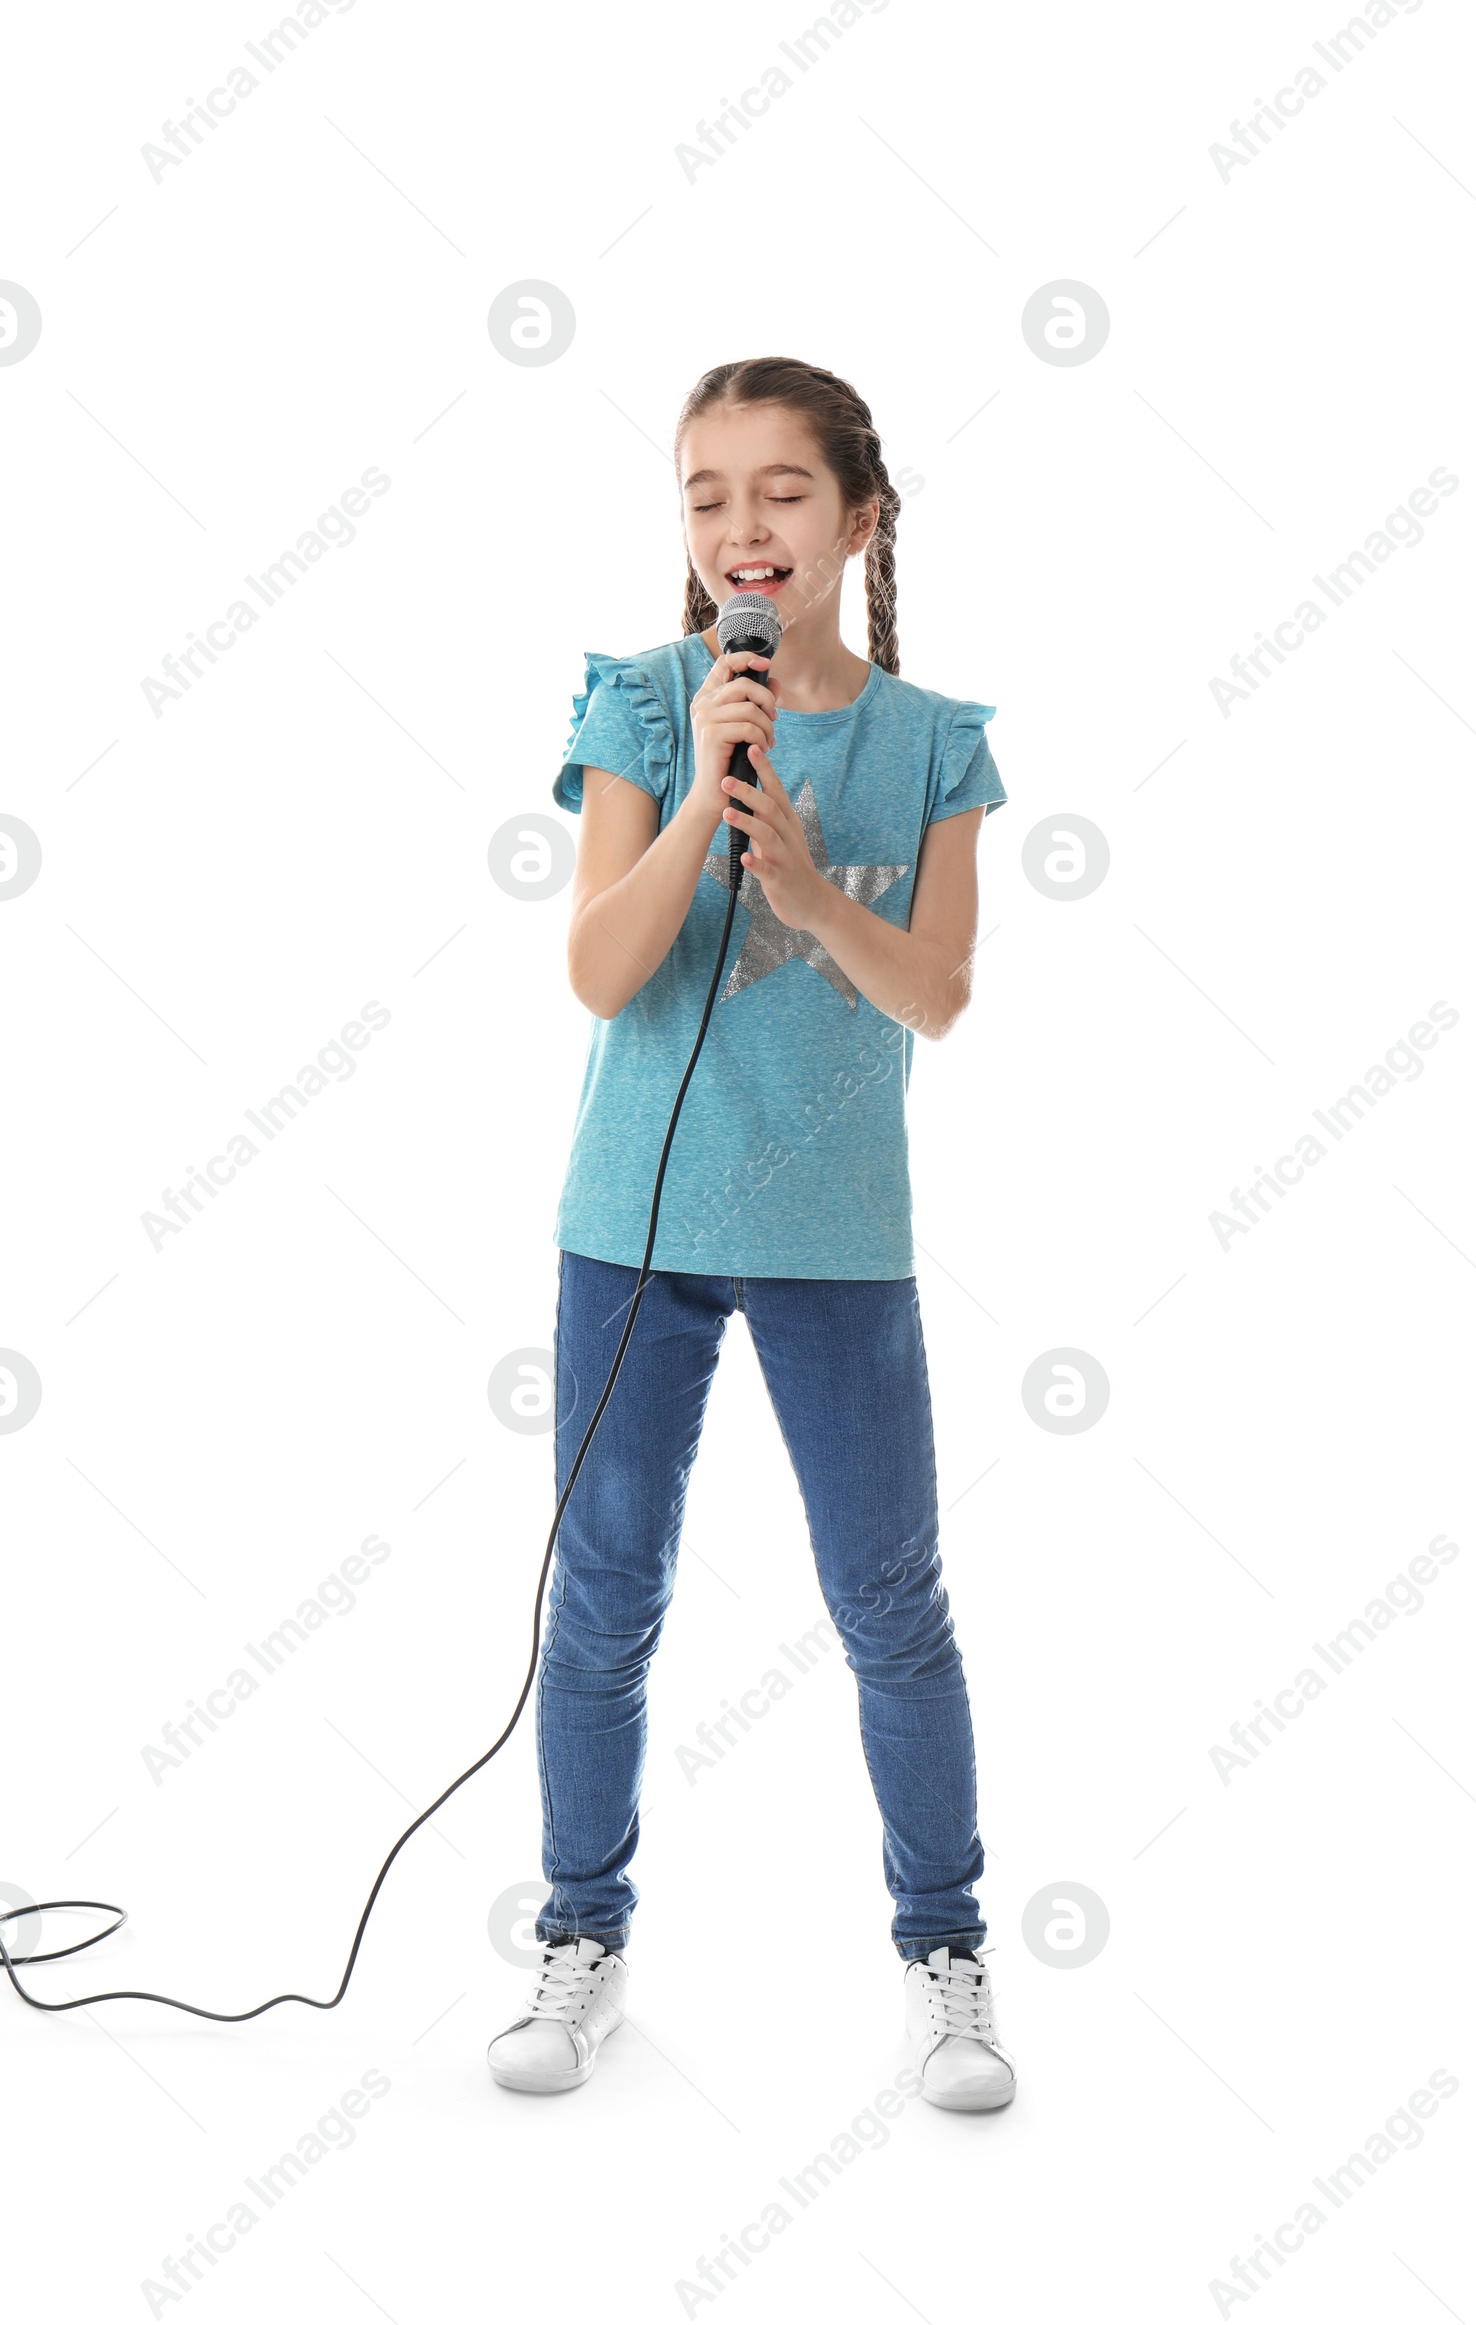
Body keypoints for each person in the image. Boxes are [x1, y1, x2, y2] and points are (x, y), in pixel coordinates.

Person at [487, 357, 1015, 2112]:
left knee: (889, 1602)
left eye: (781, 491)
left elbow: (936, 995)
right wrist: (713, 810)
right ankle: (580, 1935)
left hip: (839, 1238)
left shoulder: (932, 742)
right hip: (630, 1231)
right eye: (707, 494)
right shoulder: (645, 701)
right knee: (607, 1600)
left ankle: (945, 1952)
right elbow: (597, 969)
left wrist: (799, 884)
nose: (741, 528)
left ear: (858, 518)